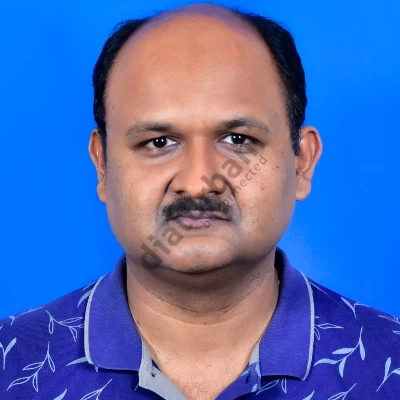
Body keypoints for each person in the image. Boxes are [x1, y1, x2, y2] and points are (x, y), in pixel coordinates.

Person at [0, 3, 399, 399]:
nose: (196, 185)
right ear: (102, 165)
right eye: (159, 142)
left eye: (238, 139)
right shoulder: (11, 366)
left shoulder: (388, 366)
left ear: (302, 162)